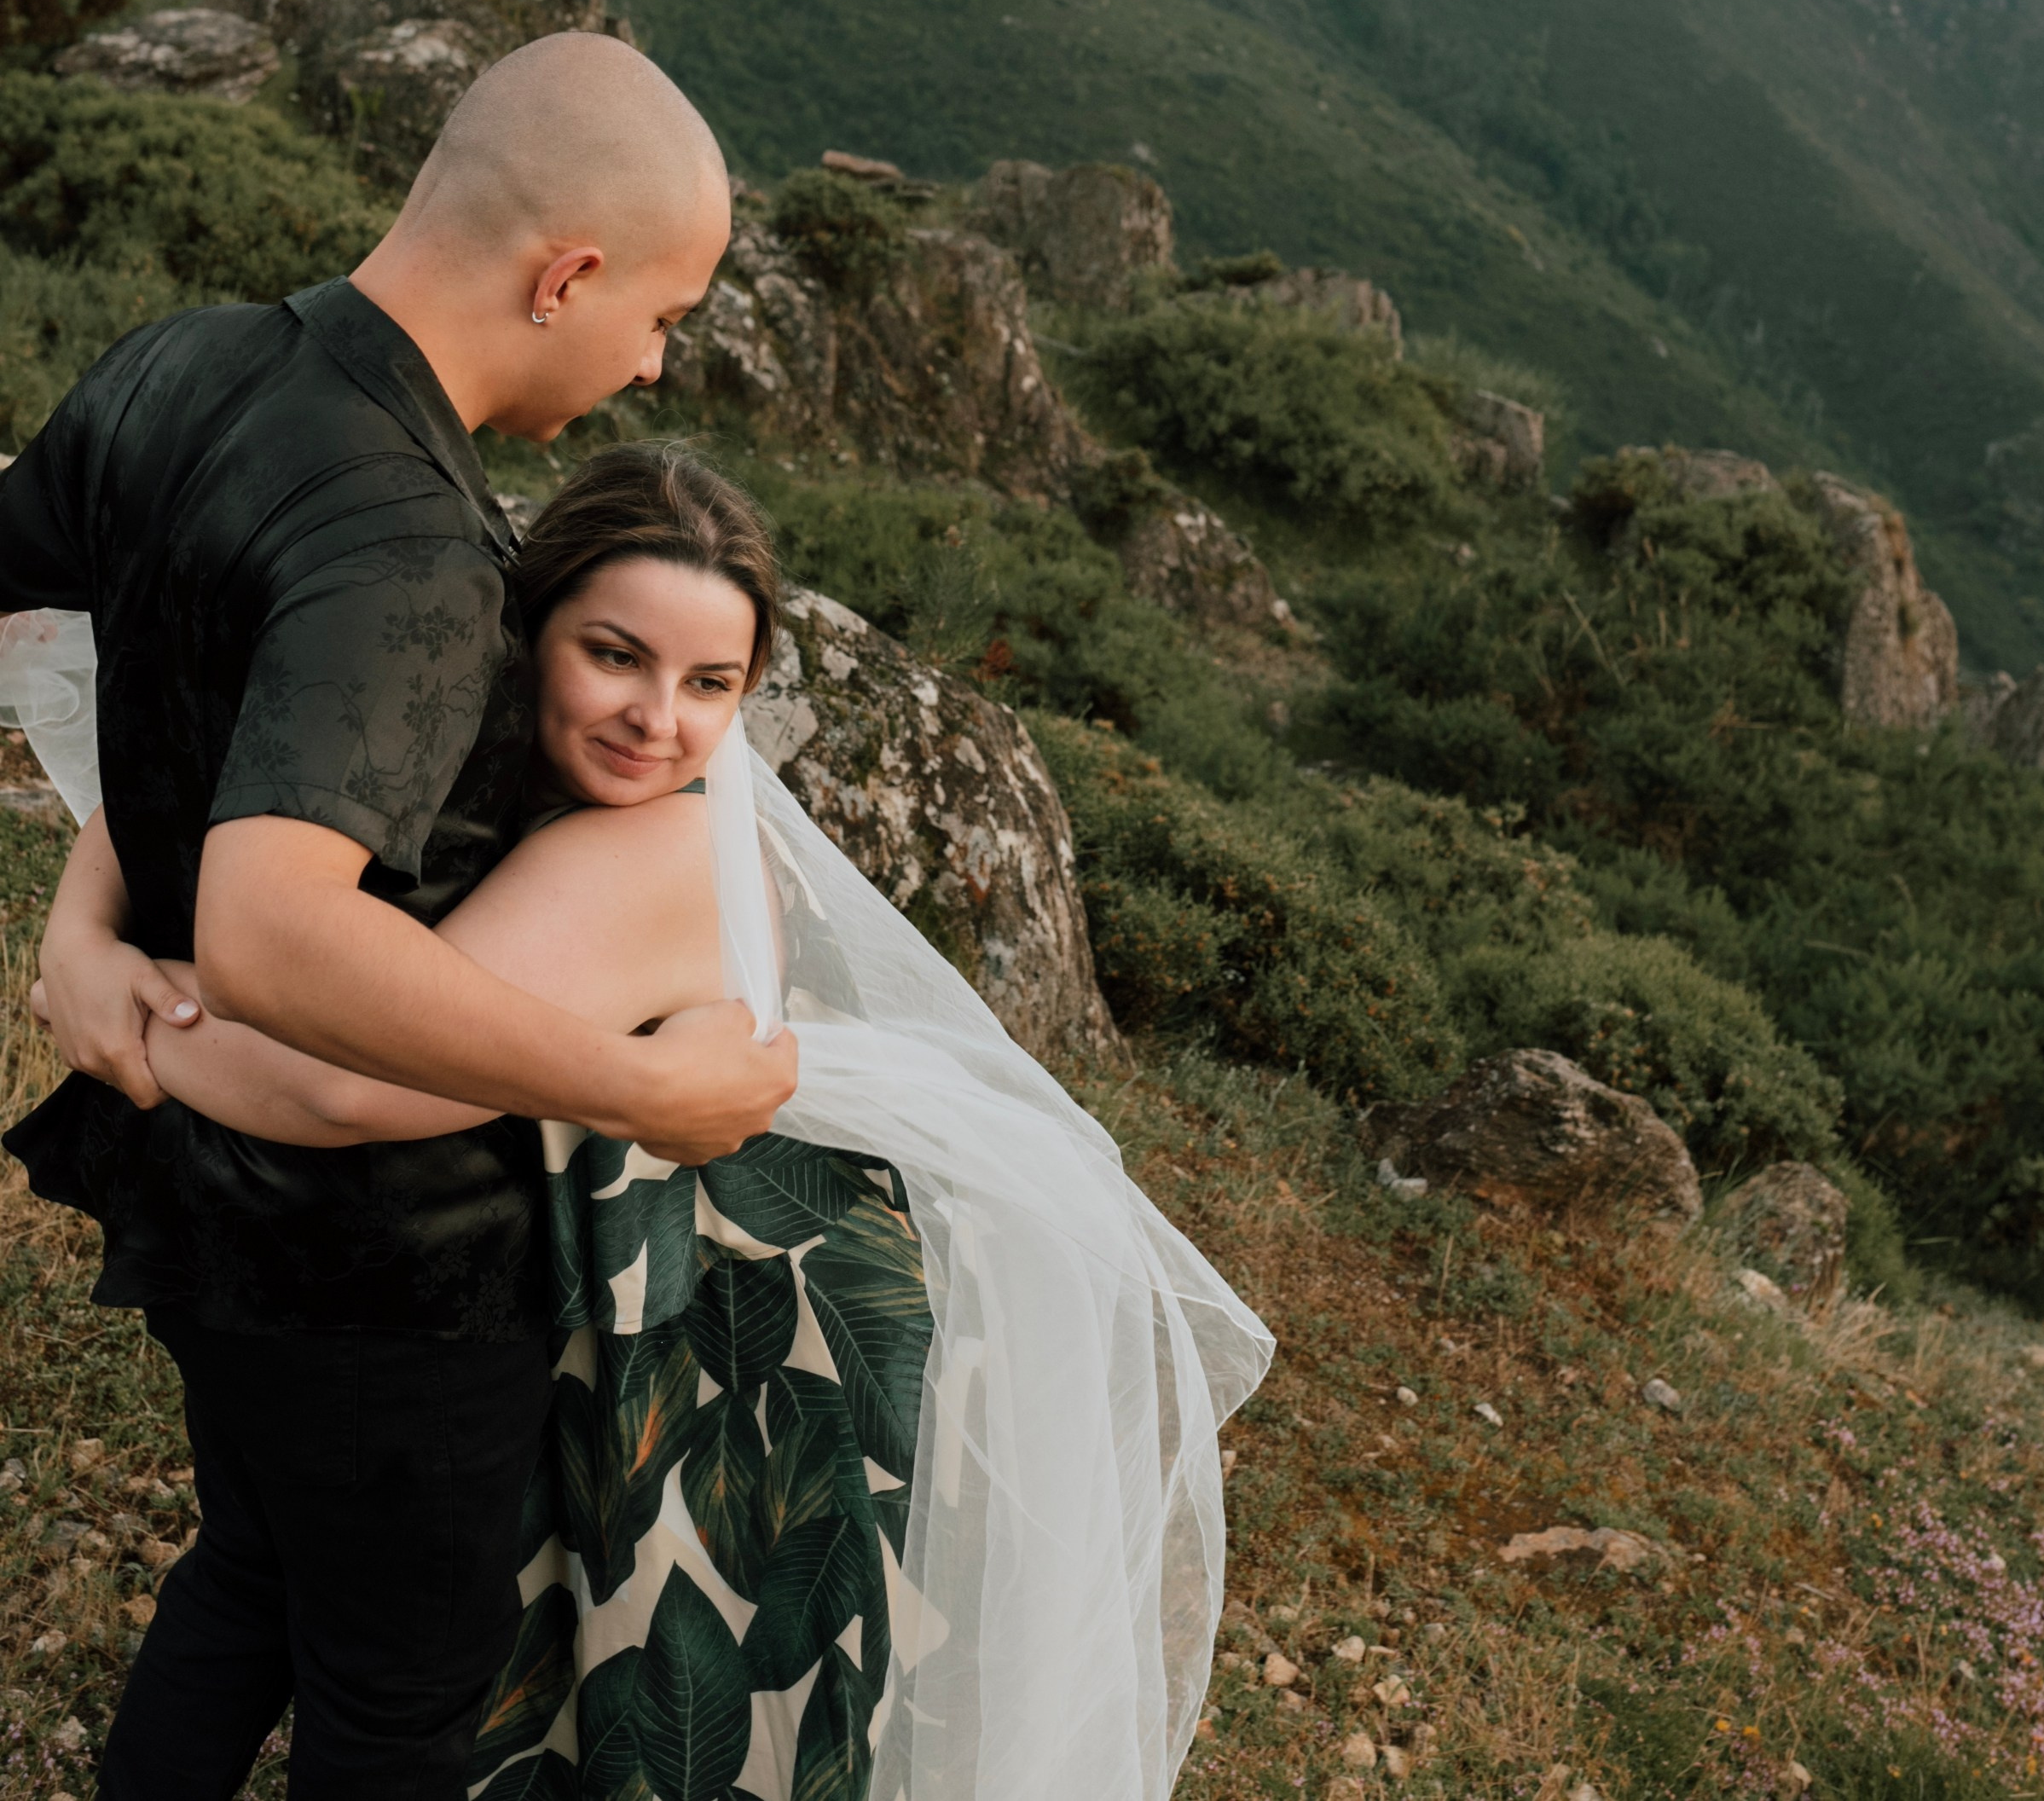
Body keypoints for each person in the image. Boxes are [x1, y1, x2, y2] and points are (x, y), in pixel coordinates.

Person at [88, 439, 1277, 1801]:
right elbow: (209, 741)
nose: (660, 717)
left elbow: (351, 1081)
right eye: (617, 655)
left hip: (729, 1363)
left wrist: (131, 1009)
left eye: (712, 684)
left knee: (532, 1684)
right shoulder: (484, 765)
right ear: (523, 629)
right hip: (600, 1311)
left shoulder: (649, 846)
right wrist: (85, 930)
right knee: (289, 1594)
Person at [0, 35, 799, 1800]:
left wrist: (90, 917)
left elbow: (85, 625)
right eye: (661, 310)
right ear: (567, 273)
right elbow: (284, 934)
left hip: (200, 1199)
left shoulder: (182, 362)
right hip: (384, 1265)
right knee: (392, 1701)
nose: (656, 356)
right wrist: (637, 1084)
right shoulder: (416, 545)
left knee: (246, 1581)